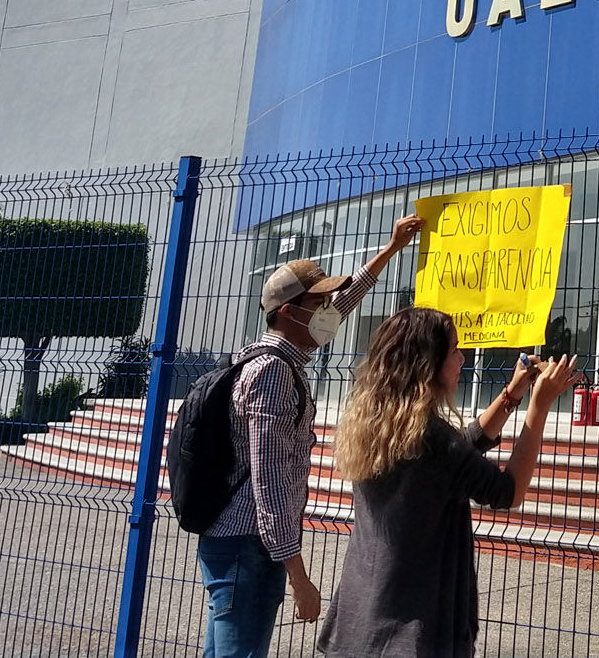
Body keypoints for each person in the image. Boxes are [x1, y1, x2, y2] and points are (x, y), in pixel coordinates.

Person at [196, 210, 424, 658]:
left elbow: (343, 302)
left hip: (239, 542)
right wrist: (298, 577)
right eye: (317, 304)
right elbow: (270, 482)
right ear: (287, 312)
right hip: (248, 547)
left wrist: (392, 248)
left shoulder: (266, 358)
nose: (328, 312)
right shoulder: (272, 375)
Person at [316, 311, 577, 658]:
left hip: (360, 620)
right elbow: (507, 490)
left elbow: (458, 450)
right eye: (454, 350)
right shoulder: (433, 439)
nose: (462, 358)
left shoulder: (379, 423)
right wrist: (539, 406)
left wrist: (512, 395)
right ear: (429, 364)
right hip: (413, 634)